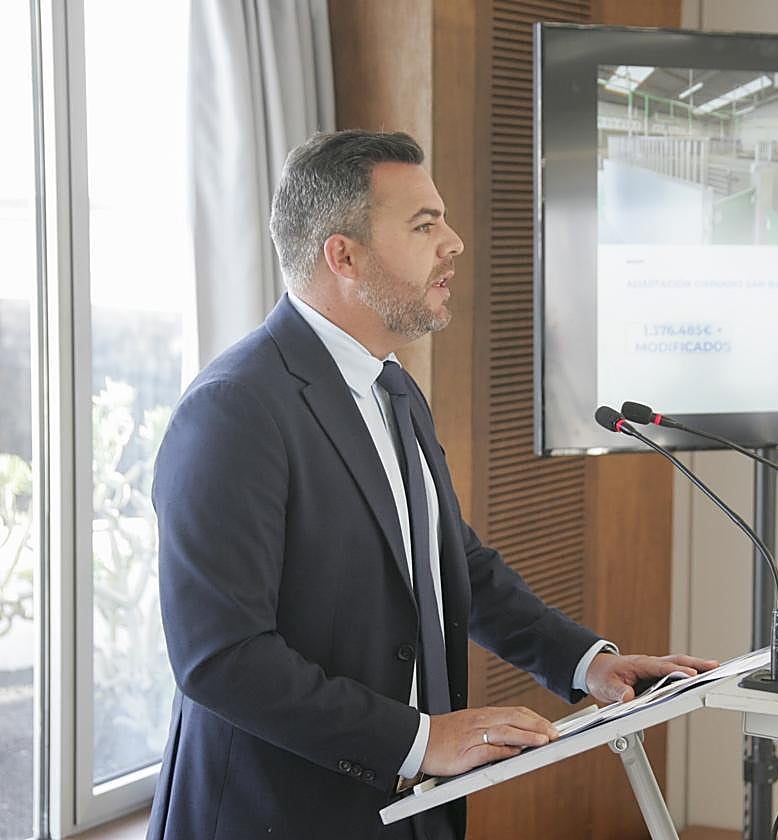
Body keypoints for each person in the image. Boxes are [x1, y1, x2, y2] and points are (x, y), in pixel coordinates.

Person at [147, 130, 716, 840]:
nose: (455, 243)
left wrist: (587, 663)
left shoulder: (394, 387)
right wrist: (423, 740)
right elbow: (221, 659)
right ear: (344, 255)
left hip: (406, 816)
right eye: (425, 225)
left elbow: (450, 564)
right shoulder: (233, 410)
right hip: (277, 816)